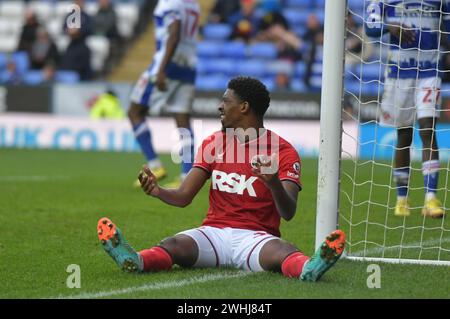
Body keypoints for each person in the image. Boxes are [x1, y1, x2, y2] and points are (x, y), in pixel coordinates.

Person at [97, 77, 346, 282]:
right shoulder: (213, 143)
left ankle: (308, 269)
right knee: (173, 244)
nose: (220, 107)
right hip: (213, 234)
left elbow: (288, 211)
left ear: (244, 107)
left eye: (225, 101)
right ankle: (136, 260)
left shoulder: (283, 151)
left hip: (256, 238)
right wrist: (158, 190)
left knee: (284, 251)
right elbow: (184, 197)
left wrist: (273, 183)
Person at [365, 0, 450, 218]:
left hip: (430, 70)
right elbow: (370, 27)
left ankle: (431, 199)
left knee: (427, 129)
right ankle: (402, 199)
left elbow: (447, 26)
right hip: (399, 73)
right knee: (404, 135)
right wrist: (390, 27)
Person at [128, 0, 200, 187]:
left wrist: (161, 69)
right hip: (189, 65)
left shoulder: (170, 2)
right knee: (182, 118)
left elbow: (174, 33)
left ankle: (154, 165)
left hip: (168, 64)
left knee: (135, 112)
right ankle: (187, 174)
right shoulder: (193, 4)